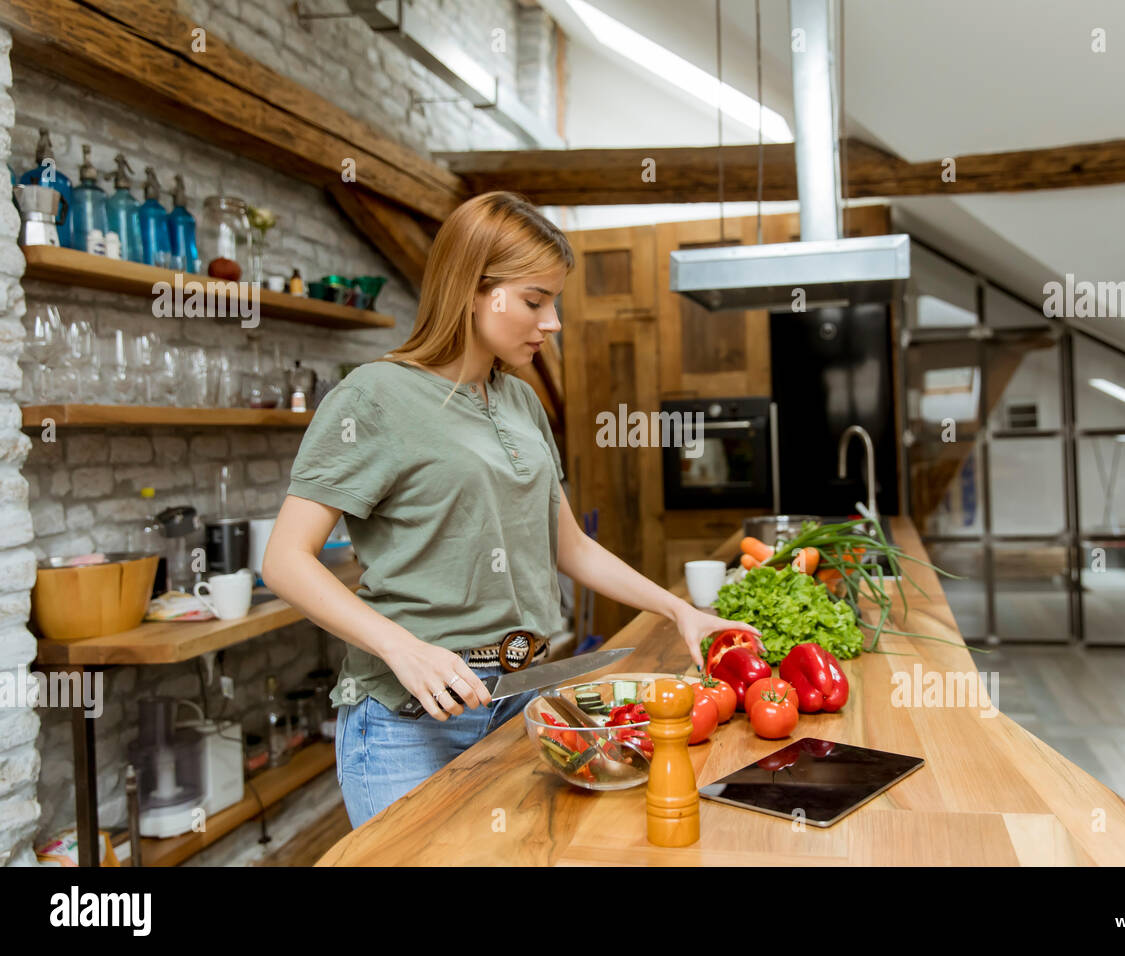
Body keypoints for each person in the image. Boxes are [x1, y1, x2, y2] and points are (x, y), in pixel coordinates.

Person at [261, 192, 762, 827]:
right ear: (473, 290)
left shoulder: (521, 402)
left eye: (554, 302)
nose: (552, 322)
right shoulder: (375, 396)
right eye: (534, 301)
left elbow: (570, 546)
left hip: (522, 693)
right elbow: (283, 561)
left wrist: (678, 610)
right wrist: (403, 649)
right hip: (410, 719)